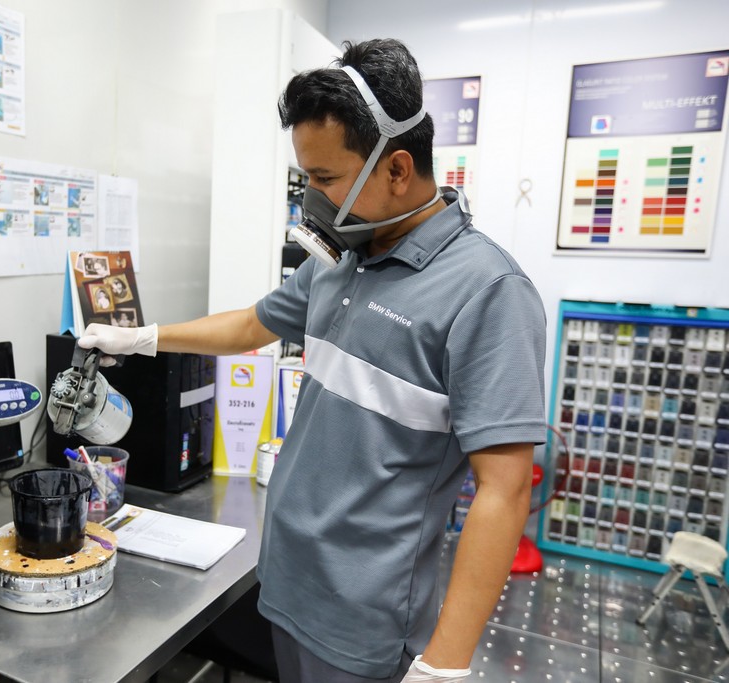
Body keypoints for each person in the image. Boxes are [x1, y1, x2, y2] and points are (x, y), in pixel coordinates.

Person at [78, 39, 546, 683]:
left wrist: (446, 662)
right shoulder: (341, 261)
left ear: (397, 169)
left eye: (324, 180)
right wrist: (143, 337)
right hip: (287, 582)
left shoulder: (488, 291)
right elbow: (251, 324)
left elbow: (505, 488)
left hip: (363, 619)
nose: (312, 200)